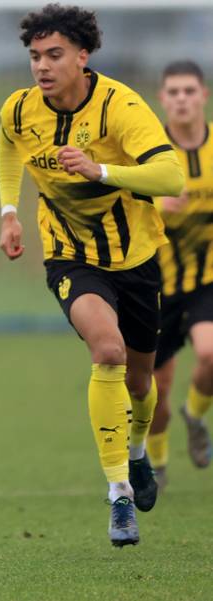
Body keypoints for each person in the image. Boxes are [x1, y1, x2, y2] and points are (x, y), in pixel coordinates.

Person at [0, 4, 184, 546]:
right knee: (107, 351)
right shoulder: (21, 109)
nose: (42, 66)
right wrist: (10, 210)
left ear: (83, 56)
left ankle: (139, 450)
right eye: (34, 56)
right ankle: (119, 493)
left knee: (141, 386)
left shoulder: (120, 106)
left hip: (137, 260)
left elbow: (169, 174)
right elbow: (9, 143)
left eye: (54, 55)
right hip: (70, 257)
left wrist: (103, 170)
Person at [147, 60, 213, 488]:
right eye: (174, 91)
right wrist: (154, 205)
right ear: (162, 98)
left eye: (190, 90)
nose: (182, 99)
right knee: (153, 396)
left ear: (203, 95)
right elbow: (121, 207)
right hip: (157, 287)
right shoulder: (150, 152)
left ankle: (195, 413)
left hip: (207, 281)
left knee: (210, 353)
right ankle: (156, 462)